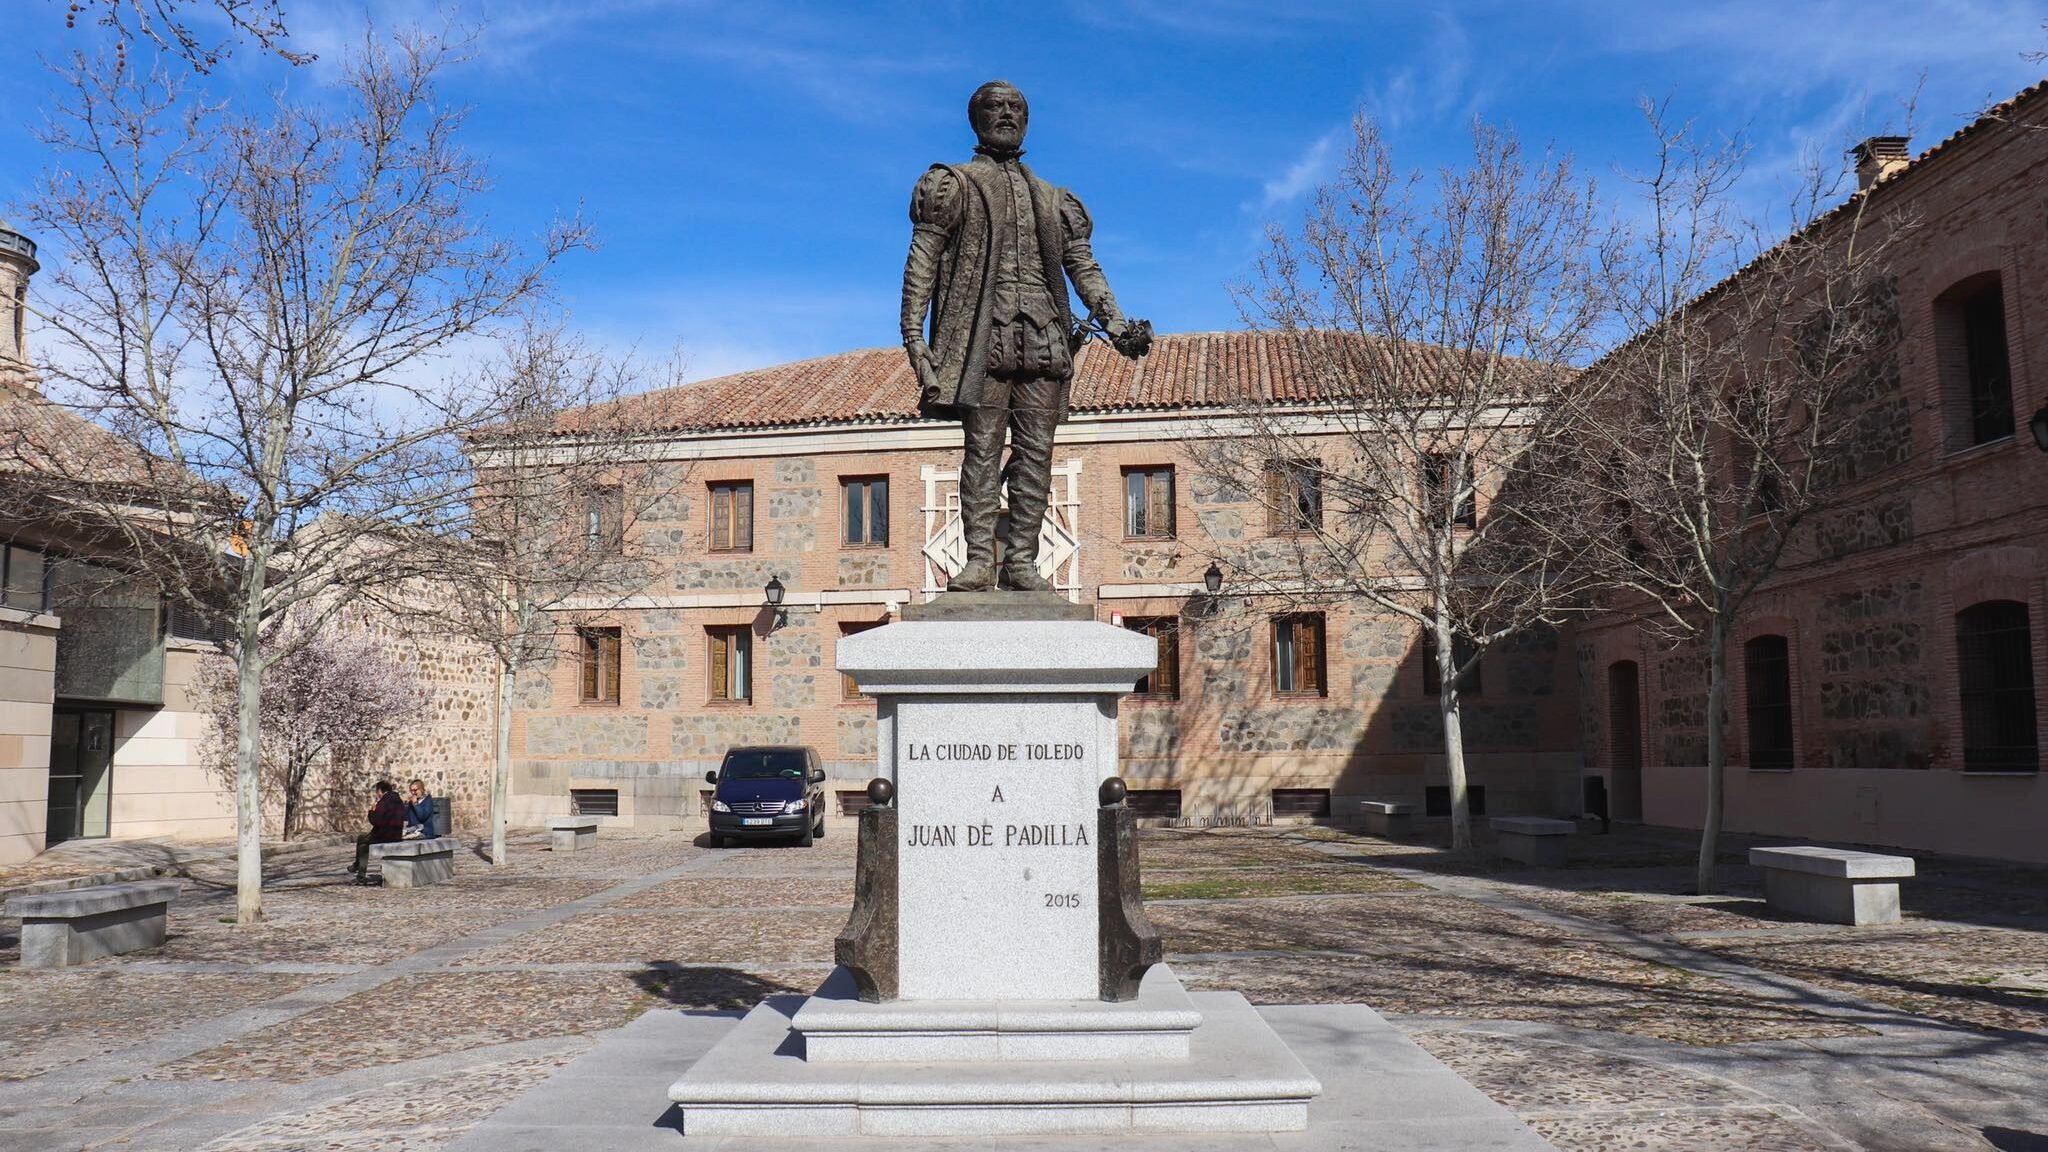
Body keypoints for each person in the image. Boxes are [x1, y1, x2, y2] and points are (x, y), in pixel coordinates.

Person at [900, 80, 1149, 592]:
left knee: (1037, 453)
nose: (1007, 114)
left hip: (1045, 339)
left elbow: (1084, 267)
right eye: (996, 106)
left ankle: (1021, 562)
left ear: (1027, 119)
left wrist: (1117, 324)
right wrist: (913, 335)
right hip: (981, 336)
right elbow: (922, 259)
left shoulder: (1054, 198)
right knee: (983, 450)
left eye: (1016, 107)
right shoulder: (952, 184)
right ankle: (977, 561)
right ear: (976, 118)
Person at [349, 780, 408, 882]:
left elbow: (377, 821)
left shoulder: (384, 802)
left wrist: (371, 811)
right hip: (396, 835)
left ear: (380, 791)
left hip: (385, 835)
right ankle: (358, 869)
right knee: (363, 841)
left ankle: (359, 869)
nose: (377, 795)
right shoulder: (398, 800)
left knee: (362, 840)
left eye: (377, 792)